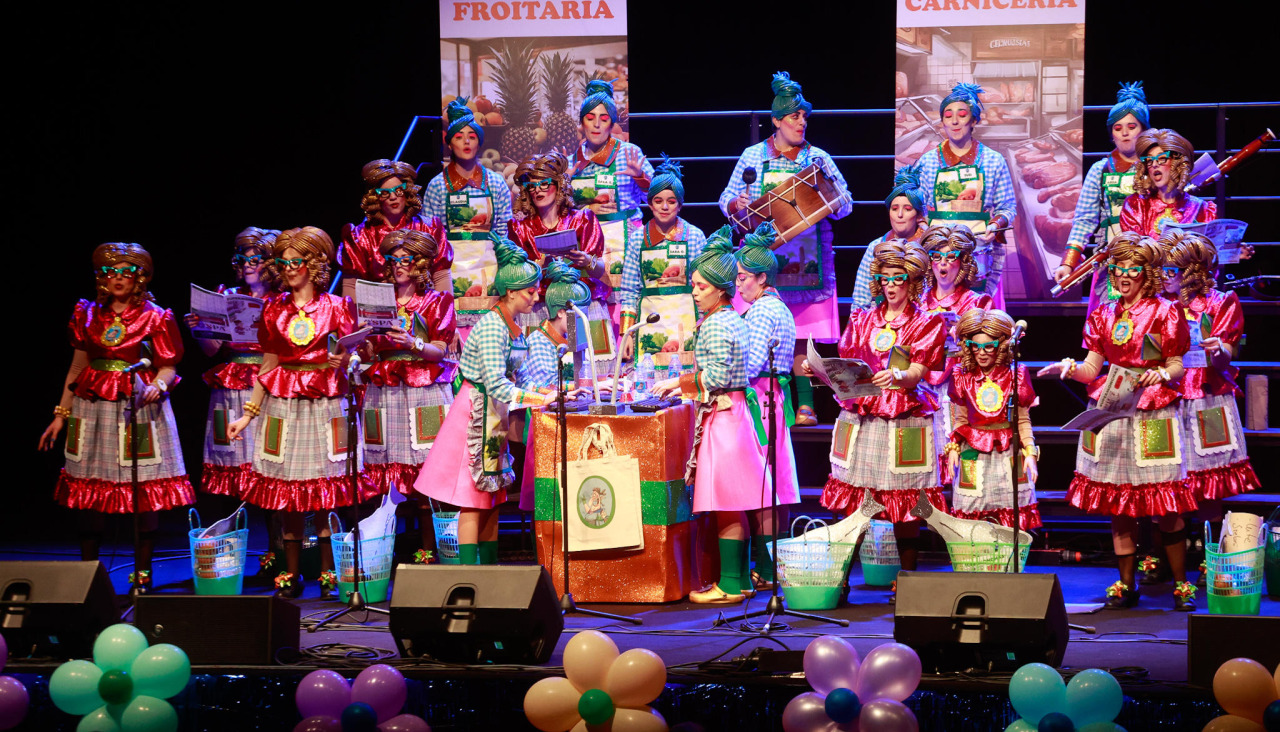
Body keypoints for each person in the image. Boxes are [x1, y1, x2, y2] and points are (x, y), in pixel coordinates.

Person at [1038, 233, 1195, 610]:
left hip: (1153, 410)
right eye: (1118, 268)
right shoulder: (1103, 313)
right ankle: (1126, 584)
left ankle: (1180, 585)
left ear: (1147, 273)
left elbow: (1177, 363)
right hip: (1113, 409)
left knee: (1166, 502)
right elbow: (1092, 367)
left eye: (1132, 269)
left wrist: (1162, 374)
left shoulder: (1165, 310)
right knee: (1119, 502)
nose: (1124, 276)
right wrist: (1068, 368)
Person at [38, 243, 193, 595]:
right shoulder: (88, 313)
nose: (117, 279)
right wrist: (60, 415)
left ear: (140, 277)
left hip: (138, 407)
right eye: (109, 272)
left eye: (125, 272)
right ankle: (88, 576)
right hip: (92, 408)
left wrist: (158, 384)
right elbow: (76, 369)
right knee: (89, 490)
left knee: (143, 489)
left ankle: (142, 576)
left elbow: (168, 366)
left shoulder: (156, 316)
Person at [225, 227, 364, 600]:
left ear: (314, 265)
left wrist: (344, 360)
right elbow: (268, 364)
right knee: (288, 492)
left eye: (296, 262)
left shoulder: (337, 306)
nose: (288, 268)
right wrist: (248, 415)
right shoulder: (274, 307)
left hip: (325, 401)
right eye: (283, 262)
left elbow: (353, 356)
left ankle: (327, 574)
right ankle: (290, 574)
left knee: (324, 491)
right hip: (284, 403)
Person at [806, 240, 946, 580]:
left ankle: (907, 580)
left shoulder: (926, 322)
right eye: (886, 279)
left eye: (899, 279)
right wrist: (821, 372)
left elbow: (918, 371)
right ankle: (841, 579)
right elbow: (848, 367)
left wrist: (898, 375)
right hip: (863, 414)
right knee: (859, 499)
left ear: (913, 282)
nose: (891, 286)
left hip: (904, 415)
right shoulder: (863, 318)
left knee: (907, 498)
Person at [414, 235, 556, 566]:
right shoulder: (493, 327)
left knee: (492, 497)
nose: (537, 297)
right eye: (530, 291)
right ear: (511, 292)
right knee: (472, 497)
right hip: (476, 414)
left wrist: (552, 393)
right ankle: (468, 572)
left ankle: (491, 572)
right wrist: (538, 398)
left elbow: (520, 378)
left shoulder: (513, 325)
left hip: (494, 416)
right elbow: (497, 385)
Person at [719, 71, 852, 427]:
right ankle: (767, 403)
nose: (801, 122)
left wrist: (831, 198)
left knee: (802, 336)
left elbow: (847, 204)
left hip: (807, 263)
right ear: (777, 121)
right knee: (763, 335)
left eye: (804, 115)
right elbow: (725, 199)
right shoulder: (753, 157)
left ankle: (806, 405)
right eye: (794, 116)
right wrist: (737, 204)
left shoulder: (818, 157)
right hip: (764, 263)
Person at [652, 227, 767, 604]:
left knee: (726, 502)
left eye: (702, 286)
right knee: (734, 501)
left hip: (725, 418)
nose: (696, 292)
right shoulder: (731, 317)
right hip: (734, 413)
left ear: (720, 289)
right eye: (694, 285)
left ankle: (730, 584)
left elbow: (717, 374)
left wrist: (678, 383)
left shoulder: (718, 322)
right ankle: (741, 580)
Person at [1158, 231, 1259, 579]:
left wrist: (1218, 352)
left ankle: (1210, 561)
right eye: (1162, 270)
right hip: (1168, 397)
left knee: (1210, 485)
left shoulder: (1220, 302)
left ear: (1190, 271)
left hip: (1209, 397)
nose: (1164, 277)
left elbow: (1228, 352)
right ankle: (1163, 561)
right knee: (1167, 481)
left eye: (1171, 271)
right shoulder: (1159, 304)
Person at [361, 229, 457, 561]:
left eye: (406, 259)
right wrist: (363, 344)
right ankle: (379, 554)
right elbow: (371, 351)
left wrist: (413, 343)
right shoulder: (378, 300)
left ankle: (428, 552)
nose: (398, 265)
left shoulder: (437, 301)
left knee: (426, 472)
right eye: (393, 260)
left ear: (420, 263)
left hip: (423, 389)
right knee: (384, 471)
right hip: (385, 389)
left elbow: (440, 350)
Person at [186, 227, 280, 499]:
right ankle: (236, 519)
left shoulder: (281, 299)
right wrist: (200, 329)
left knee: (267, 454)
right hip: (232, 380)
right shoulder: (227, 294)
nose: (248, 265)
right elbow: (212, 350)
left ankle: (274, 522)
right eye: (243, 259)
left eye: (255, 260)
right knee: (233, 456)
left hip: (266, 379)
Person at [734, 223, 801, 593]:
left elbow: (752, 363)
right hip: (770, 399)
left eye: (744, 278)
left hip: (761, 401)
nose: (738, 285)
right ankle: (773, 565)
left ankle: (766, 567)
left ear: (762, 278)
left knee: (764, 487)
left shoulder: (762, 312)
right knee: (774, 486)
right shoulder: (776, 307)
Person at [913, 83, 1016, 308]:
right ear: (942, 121)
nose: (955, 121)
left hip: (979, 251)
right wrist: (922, 226)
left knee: (978, 316)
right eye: (948, 116)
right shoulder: (927, 162)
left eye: (962, 115)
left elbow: (1007, 206)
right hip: (938, 256)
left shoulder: (993, 160)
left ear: (974, 121)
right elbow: (917, 206)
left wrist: (995, 225)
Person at [508, 151, 614, 364]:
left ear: (559, 185)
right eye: (532, 186)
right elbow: (514, 277)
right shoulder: (519, 228)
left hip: (579, 304)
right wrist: (536, 267)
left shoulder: (583, 219)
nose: (538, 190)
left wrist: (587, 261)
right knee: (542, 369)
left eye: (544, 184)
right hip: (539, 308)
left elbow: (599, 269)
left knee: (584, 369)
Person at [1056, 82, 1150, 312]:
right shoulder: (1101, 170)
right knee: (1112, 324)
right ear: (1111, 134)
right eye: (1118, 128)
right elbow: (1084, 220)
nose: (1125, 133)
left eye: (1132, 126)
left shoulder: (1155, 168)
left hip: (1150, 263)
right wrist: (1069, 262)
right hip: (1112, 262)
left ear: (1144, 130)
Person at [423, 99, 515, 330]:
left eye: (472, 136)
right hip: (450, 276)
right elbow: (432, 240)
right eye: (459, 136)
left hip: (490, 275)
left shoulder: (496, 183)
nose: (466, 141)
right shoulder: (437, 186)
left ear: (480, 142)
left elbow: (504, 235)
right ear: (449, 143)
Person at [946, 309, 1040, 530]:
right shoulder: (962, 375)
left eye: (989, 346)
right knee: (972, 513)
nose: (981, 353)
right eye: (975, 347)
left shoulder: (1015, 374)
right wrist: (953, 448)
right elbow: (960, 419)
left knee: (1009, 515)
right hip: (973, 450)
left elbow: (1023, 420)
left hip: (1007, 449)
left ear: (1001, 345)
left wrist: (1030, 451)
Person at [566, 78, 654, 308]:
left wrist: (640, 177)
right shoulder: (572, 161)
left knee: (624, 306)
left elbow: (657, 199)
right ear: (581, 123)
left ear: (612, 123)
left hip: (625, 245)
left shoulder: (630, 153)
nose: (597, 125)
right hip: (585, 246)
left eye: (604, 119)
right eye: (590, 118)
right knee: (589, 307)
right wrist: (564, 183)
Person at [518, 260, 594, 514]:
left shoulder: (572, 338)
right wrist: (577, 386)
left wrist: (597, 384)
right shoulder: (538, 342)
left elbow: (580, 377)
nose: (583, 319)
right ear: (561, 312)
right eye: (579, 313)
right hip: (544, 425)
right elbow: (544, 386)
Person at [619, 155, 706, 364]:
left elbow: (705, 286)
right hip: (650, 323)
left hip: (687, 322)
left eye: (671, 201)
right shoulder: (637, 239)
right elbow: (629, 291)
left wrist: (705, 325)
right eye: (658, 201)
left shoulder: (694, 236)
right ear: (650, 204)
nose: (664, 207)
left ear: (680, 205)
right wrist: (627, 333)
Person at [339, 159, 452, 300]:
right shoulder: (360, 236)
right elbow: (351, 286)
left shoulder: (429, 228)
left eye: (398, 191)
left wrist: (444, 310)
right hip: (377, 308)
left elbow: (441, 276)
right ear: (375, 197)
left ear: (407, 192)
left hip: (422, 309)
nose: (393, 197)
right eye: (384, 193)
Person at [852, 167, 928, 310]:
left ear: (918, 215)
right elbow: (861, 300)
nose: (900, 215)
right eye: (894, 209)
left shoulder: (929, 247)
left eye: (907, 209)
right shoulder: (876, 247)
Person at [1120, 129, 1217, 237]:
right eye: (1149, 160)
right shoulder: (1135, 206)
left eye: (1162, 158)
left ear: (1178, 163)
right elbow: (1132, 246)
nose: (1154, 164)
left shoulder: (1201, 209)